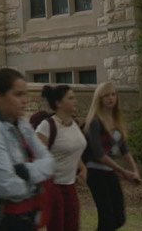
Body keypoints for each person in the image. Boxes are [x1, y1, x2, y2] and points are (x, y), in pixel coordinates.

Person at [0, 68, 54, 231]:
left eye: (25, 94)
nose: (24, 100)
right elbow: (6, 186)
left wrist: (25, 171)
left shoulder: (21, 125)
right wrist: (35, 184)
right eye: (17, 94)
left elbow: (49, 161)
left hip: (22, 216)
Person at [84, 82, 141, 231]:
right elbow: (99, 154)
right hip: (95, 172)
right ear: (99, 99)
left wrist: (134, 171)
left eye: (113, 94)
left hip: (109, 172)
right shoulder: (95, 122)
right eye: (106, 95)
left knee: (119, 218)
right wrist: (124, 172)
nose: (110, 98)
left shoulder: (116, 121)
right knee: (107, 219)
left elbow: (124, 150)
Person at [35, 85, 87, 231]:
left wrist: (82, 168)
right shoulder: (47, 126)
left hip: (70, 186)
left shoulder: (74, 124)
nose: (74, 101)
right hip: (53, 186)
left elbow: (71, 151)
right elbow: (36, 156)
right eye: (70, 98)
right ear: (58, 103)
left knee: (73, 226)